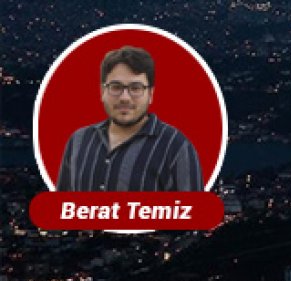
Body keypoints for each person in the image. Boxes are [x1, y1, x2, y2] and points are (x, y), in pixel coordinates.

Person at [56, 46, 202, 191]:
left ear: (151, 94)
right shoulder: (79, 140)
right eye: (116, 87)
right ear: (102, 91)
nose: (125, 97)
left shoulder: (176, 146)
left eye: (136, 88)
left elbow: (196, 213)